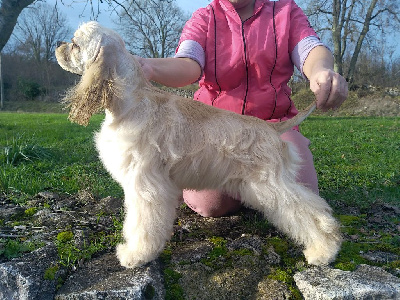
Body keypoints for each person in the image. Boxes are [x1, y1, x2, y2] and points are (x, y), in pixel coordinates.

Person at [136, 0, 348, 217]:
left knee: (301, 193)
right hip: (215, 132)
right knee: (210, 202)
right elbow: (188, 63)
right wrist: (150, 67)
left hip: (274, 127)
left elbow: (310, 49)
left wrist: (321, 70)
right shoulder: (204, 18)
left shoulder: (286, 11)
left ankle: (253, 191)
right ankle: (251, 192)